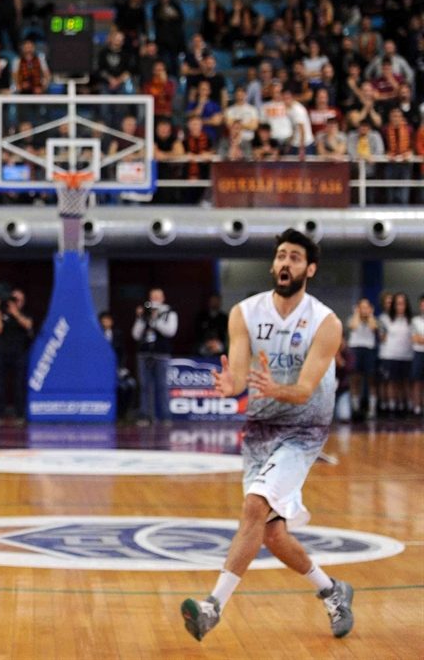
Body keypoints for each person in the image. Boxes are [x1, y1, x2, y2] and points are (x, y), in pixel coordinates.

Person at [181, 228, 353, 643]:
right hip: (260, 430)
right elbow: (240, 377)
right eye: (281, 255)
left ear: (309, 269)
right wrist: (231, 386)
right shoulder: (244, 312)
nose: (285, 263)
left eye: (295, 257)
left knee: (254, 506)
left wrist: (278, 388)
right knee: (272, 533)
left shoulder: (326, 322)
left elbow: (305, 390)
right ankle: (333, 590)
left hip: (304, 429)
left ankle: (212, 606)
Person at [131, 288, 178, 421]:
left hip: (161, 354)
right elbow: (135, 334)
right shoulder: (144, 313)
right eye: (153, 297)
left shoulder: (170, 312)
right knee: (144, 386)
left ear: (163, 298)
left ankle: (165, 416)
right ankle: (145, 416)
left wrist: (155, 319)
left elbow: (170, 331)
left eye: (158, 297)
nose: (155, 299)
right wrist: (141, 318)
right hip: (144, 354)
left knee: (162, 386)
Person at [0, 288, 34, 419]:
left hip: (18, 354)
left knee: (18, 384)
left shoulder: (25, 314)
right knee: (0, 384)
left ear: (23, 301)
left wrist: (16, 313)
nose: (15, 302)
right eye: (13, 299)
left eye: (18, 300)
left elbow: (28, 325)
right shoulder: (2, 314)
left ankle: (19, 413)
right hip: (2, 353)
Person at [377, 292, 414, 417]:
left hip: (407, 355)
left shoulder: (410, 320)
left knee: (405, 382)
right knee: (391, 381)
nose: (400, 306)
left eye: (403, 304)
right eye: (398, 304)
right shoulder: (384, 319)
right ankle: (391, 407)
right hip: (389, 355)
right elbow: (381, 337)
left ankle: (404, 406)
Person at [347, 298, 379, 419]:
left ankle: (372, 408)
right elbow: (353, 326)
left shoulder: (373, 319)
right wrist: (356, 313)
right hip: (355, 349)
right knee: (355, 379)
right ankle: (356, 407)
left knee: (371, 380)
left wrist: (370, 314)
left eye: (367, 307)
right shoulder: (352, 318)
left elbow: (373, 327)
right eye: (362, 307)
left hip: (369, 350)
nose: (364, 310)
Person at [411, 295, 424, 418]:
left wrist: (421, 338)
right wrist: (419, 339)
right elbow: (415, 339)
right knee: (417, 381)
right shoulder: (415, 321)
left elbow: (421, 339)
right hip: (419, 353)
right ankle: (417, 408)